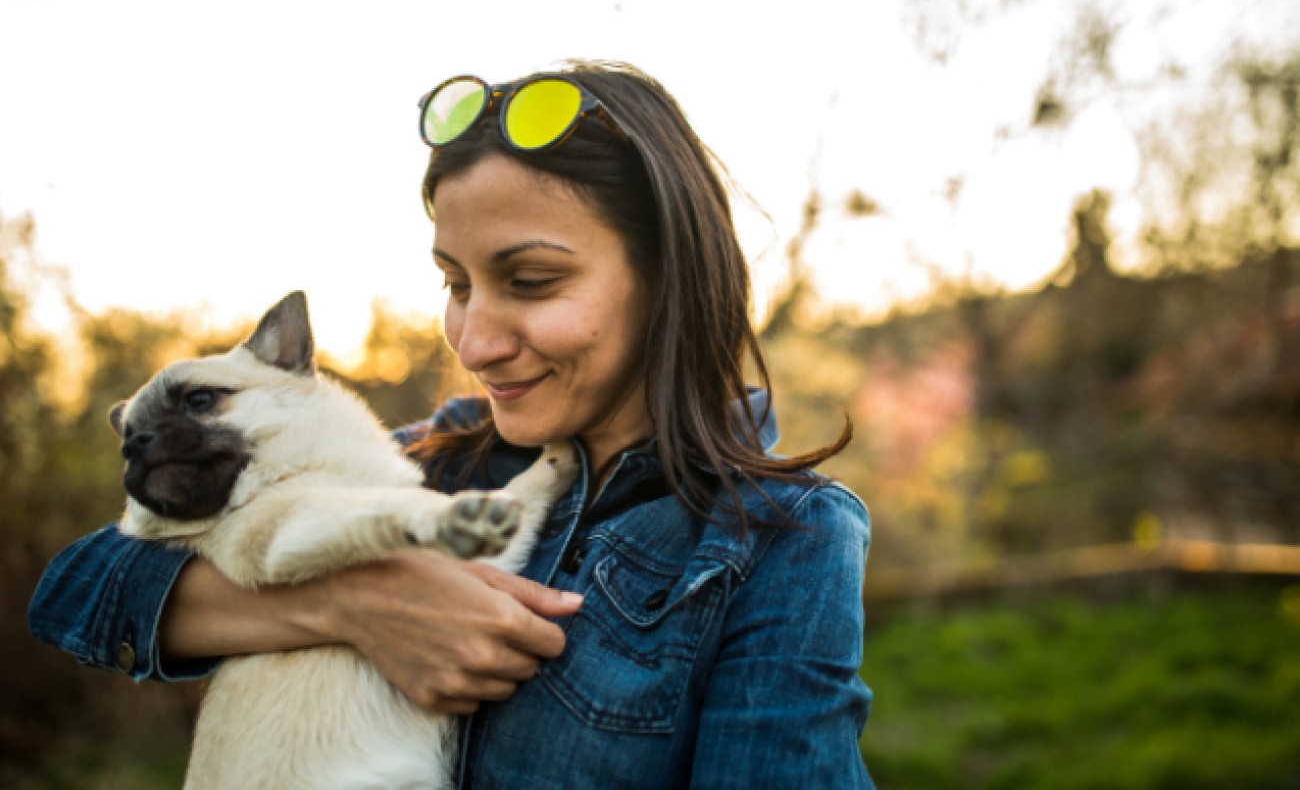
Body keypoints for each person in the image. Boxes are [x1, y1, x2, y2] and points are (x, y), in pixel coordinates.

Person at [29, 61, 875, 788]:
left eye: (533, 280)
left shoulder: (780, 539)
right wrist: (353, 603)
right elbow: (80, 592)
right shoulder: (433, 460)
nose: (475, 341)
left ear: (668, 275)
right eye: (455, 283)